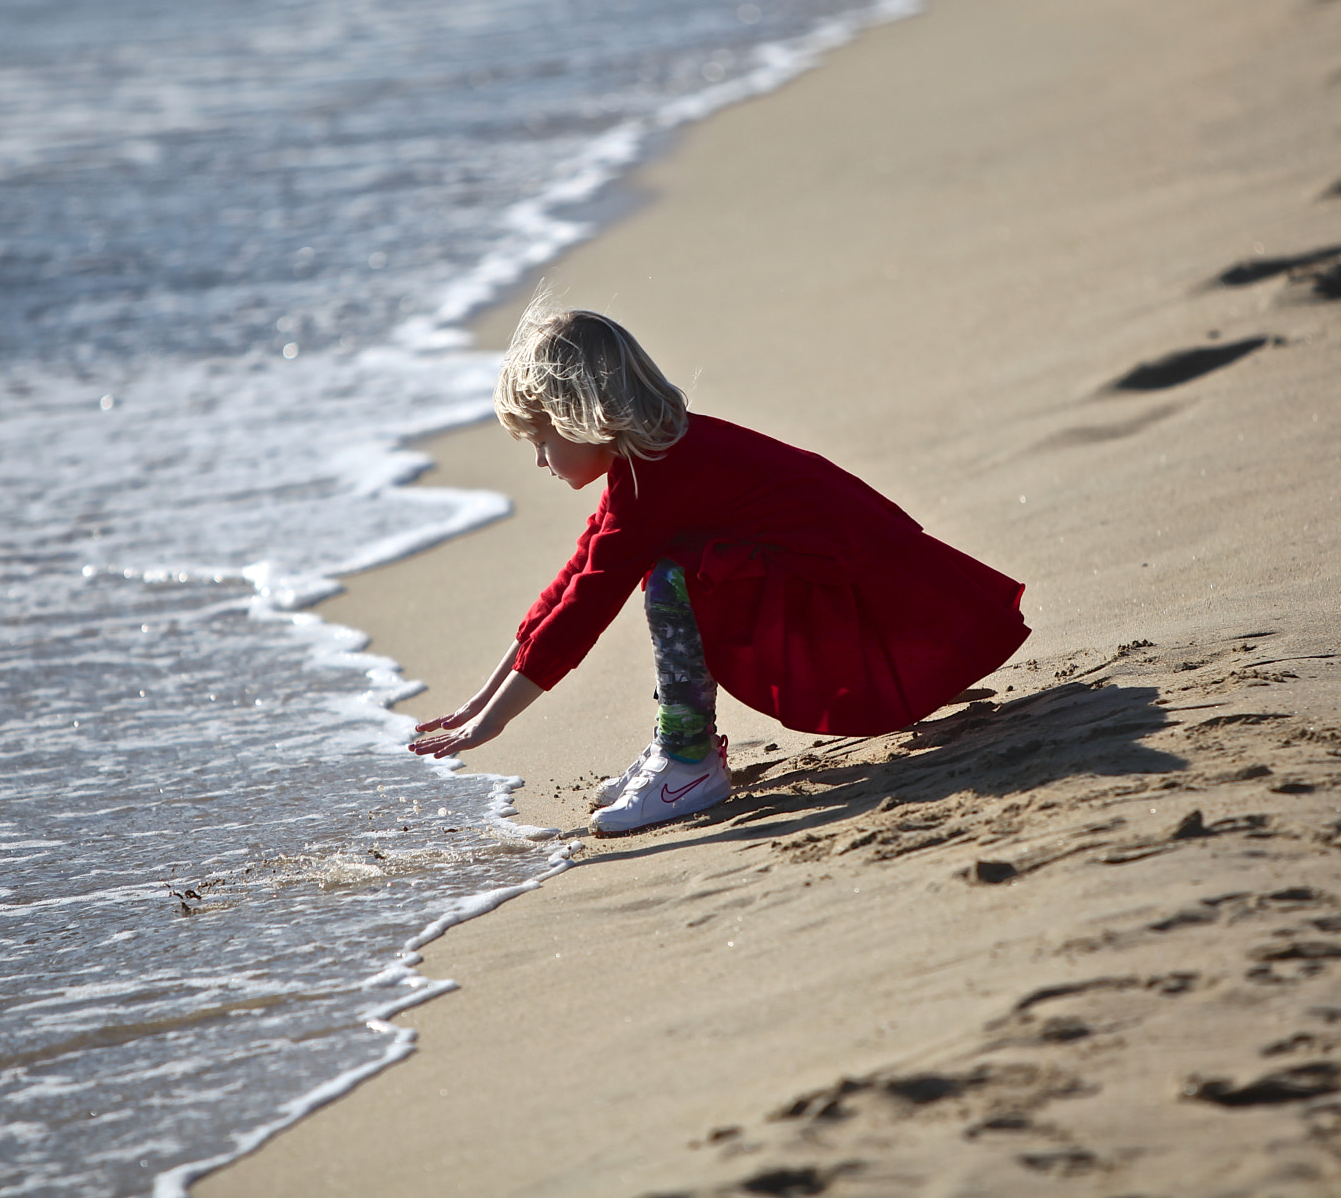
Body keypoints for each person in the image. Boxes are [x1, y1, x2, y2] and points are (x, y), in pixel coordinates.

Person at [409, 301, 1031, 834]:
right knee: (668, 567)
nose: (541, 461)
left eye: (542, 439)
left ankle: (688, 762)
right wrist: (478, 703)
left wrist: (494, 724)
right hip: (830, 564)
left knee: (672, 575)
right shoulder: (646, 462)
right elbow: (572, 581)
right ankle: (678, 745)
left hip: (847, 579)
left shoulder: (655, 475)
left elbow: (586, 608)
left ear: (582, 415)